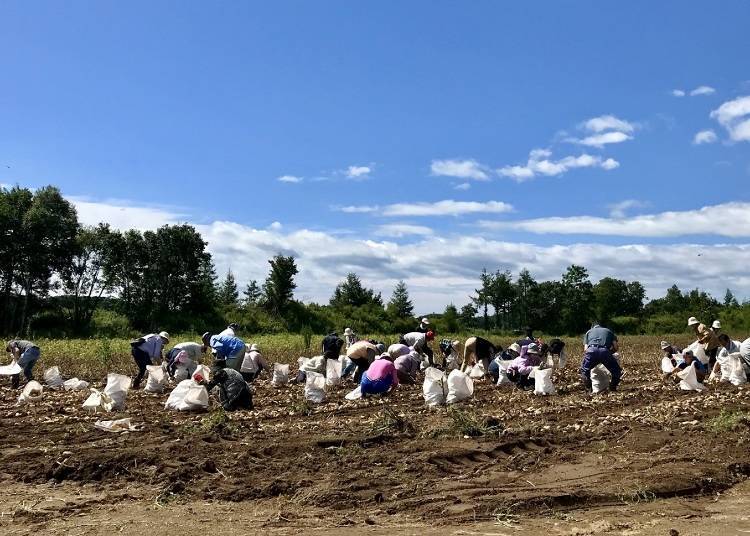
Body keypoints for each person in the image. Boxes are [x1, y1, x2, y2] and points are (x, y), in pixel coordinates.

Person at [580, 323, 621, 393]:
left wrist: (593, 359)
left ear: (593, 327)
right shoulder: (609, 331)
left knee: (584, 371)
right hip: (605, 351)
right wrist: (609, 354)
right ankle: (612, 387)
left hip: (591, 351)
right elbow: (616, 347)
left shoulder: (589, 332)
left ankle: (589, 389)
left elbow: (585, 349)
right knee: (616, 371)